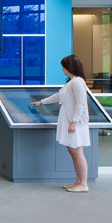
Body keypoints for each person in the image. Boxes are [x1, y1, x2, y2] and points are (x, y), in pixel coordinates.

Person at [31, 55, 92, 192]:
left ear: (70, 67)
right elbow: (58, 96)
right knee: (73, 151)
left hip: (75, 123)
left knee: (77, 152)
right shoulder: (71, 82)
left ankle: (83, 184)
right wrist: (42, 102)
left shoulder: (77, 82)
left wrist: (74, 122)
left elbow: (81, 104)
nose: (62, 69)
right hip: (70, 121)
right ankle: (78, 181)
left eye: (64, 66)